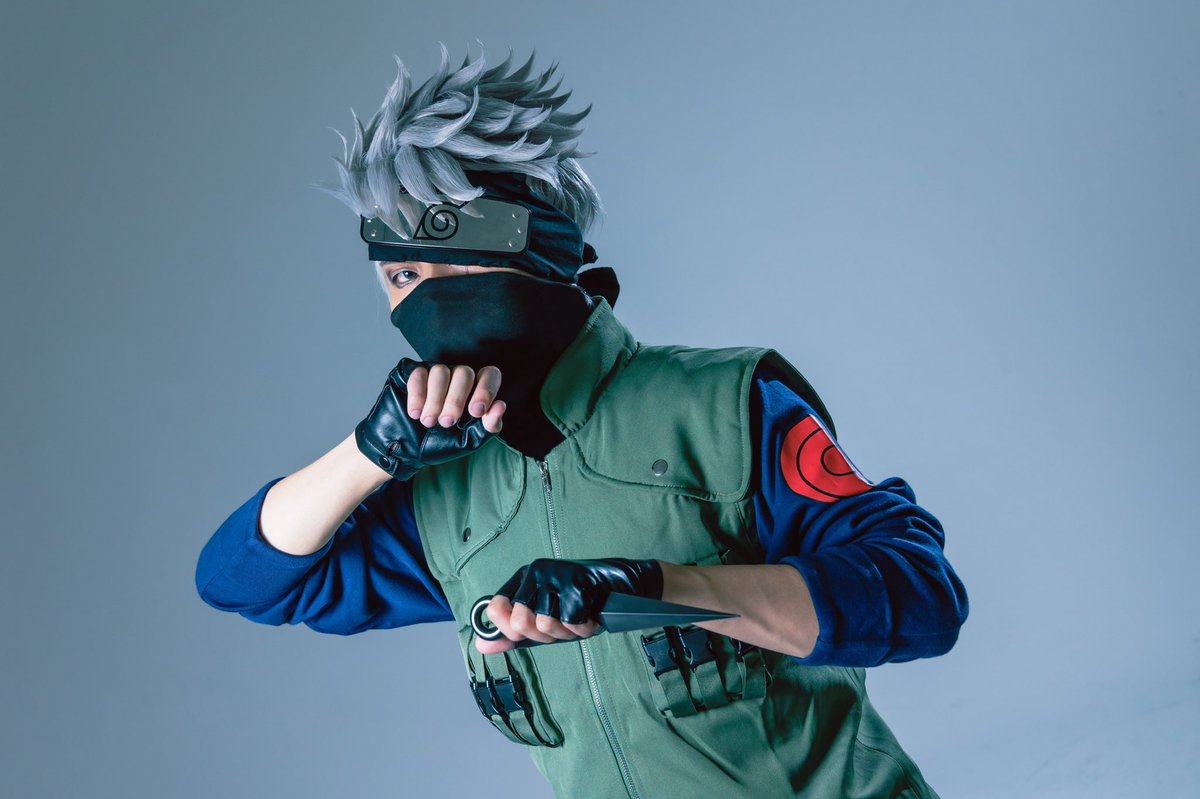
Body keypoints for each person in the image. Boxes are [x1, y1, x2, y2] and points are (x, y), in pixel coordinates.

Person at [194, 43, 969, 799]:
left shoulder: (725, 405)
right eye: (401, 272)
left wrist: (654, 588)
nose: (428, 289)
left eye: (457, 242)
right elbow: (239, 580)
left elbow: (920, 593)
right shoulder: (443, 497)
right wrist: (371, 453)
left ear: (543, 240)